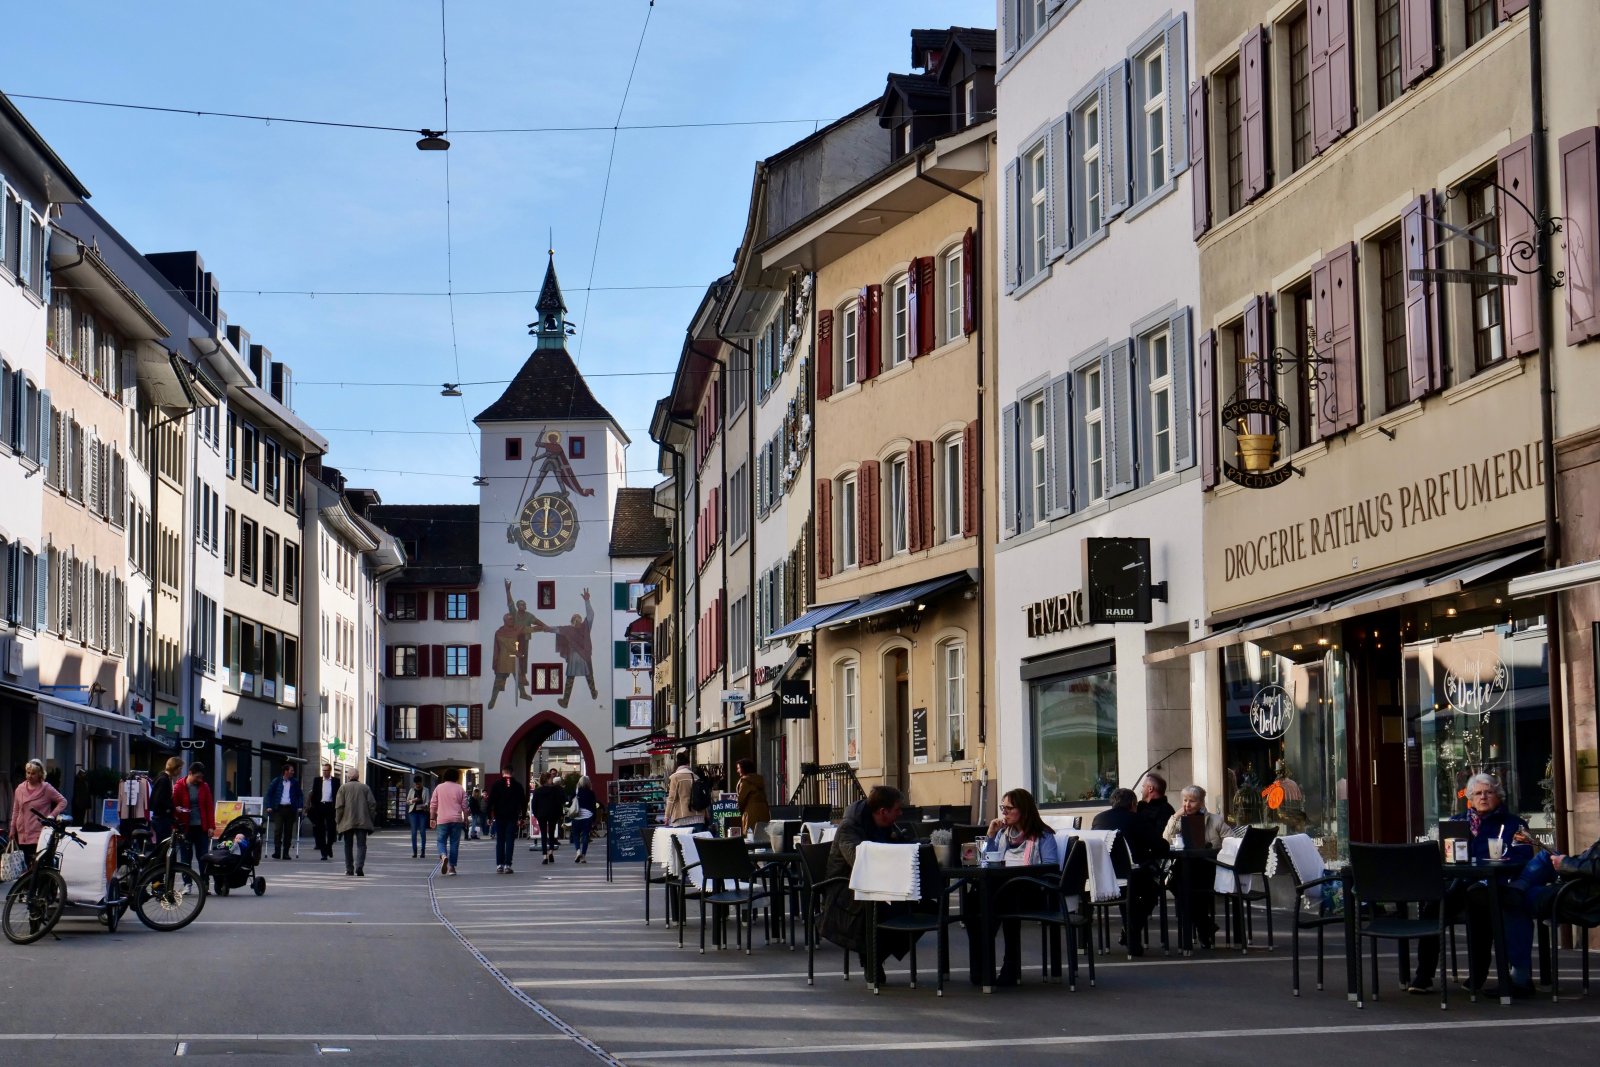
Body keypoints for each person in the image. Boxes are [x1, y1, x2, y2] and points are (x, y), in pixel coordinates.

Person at [1407, 773, 1535, 997]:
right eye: (1478, 793)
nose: (1483, 797)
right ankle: (1423, 976)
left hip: (1492, 886)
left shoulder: (1514, 824)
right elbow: (1441, 858)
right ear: (1470, 798)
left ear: (1498, 795)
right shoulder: (1457, 822)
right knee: (1432, 909)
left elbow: (1523, 858)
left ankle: (1478, 976)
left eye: (1489, 792)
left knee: (1479, 907)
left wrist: (1499, 861)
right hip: (1458, 884)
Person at [818, 785, 916, 983]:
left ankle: (875, 955)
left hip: (882, 884)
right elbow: (858, 860)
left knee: (926, 905)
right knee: (879, 906)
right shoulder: (850, 827)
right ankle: (871, 958)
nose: (901, 813)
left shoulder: (888, 825)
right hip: (846, 891)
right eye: (897, 809)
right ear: (883, 811)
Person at [971, 788, 1060, 985]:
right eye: (1003, 808)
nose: (1004, 812)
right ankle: (982, 966)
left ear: (1024, 810)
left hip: (1033, 892)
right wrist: (990, 835)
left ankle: (1007, 966)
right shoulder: (1003, 834)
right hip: (1004, 890)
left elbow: (1051, 869)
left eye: (1009, 808)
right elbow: (986, 862)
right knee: (974, 901)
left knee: (996, 901)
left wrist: (1024, 876)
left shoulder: (1042, 836)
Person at [1093, 787, 1165, 956]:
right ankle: (1130, 932)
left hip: (1105, 878)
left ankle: (1129, 934)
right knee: (1153, 891)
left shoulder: (1099, 819)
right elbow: (1158, 845)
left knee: (1131, 894)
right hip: (1132, 877)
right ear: (1133, 804)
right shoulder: (1136, 819)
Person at [1162, 785, 1229, 948]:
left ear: (1201, 802)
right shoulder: (1180, 820)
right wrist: (1175, 816)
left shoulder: (1215, 820)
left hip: (1210, 868)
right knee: (1173, 881)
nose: (1187, 805)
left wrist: (1215, 850)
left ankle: (1203, 928)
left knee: (1186, 888)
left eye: (1192, 801)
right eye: (1185, 801)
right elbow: (1165, 839)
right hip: (1187, 867)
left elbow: (1231, 842)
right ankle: (1205, 926)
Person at [9, 759, 67, 866]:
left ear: (40, 774)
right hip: (22, 832)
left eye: (33, 773)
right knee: (26, 865)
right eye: (28, 773)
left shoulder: (46, 788)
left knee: (37, 865)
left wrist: (51, 816)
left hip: (39, 832)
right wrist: (12, 829)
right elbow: (16, 810)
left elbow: (63, 801)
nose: (30, 776)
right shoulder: (20, 789)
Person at [172, 763, 215, 878]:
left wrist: (211, 826)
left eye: (201, 777)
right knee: (186, 856)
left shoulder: (204, 786)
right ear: (190, 773)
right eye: (197, 777)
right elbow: (174, 806)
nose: (199, 779)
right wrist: (175, 825)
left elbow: (209, 807)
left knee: (203, 856)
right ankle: (187, 883)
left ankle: (204, 882)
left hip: (201, 827)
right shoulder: (179, 786)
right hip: (185, 828)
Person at [335, 769, 377, 876]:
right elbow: (372, 805)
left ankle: (349, 869)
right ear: (358, 777)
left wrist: (338, 821)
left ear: (348, 777)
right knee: (361, 845)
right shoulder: (365, 788)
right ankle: (359, 867)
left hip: (347, 821)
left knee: (348, 845)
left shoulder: (343, 788)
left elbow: (339, 807)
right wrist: (371, 819)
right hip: (362, 821)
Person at [487, 766, 528, 874]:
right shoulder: (518, 786)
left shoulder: (496, 785)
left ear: (502, 772)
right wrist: (523, 817)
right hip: (512, 816)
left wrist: (489, 816)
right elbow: (523, 803)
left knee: (500, 840)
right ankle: (507, 865)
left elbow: (490, 801)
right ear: (512, 772)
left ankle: (499, 864)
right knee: (510, 840)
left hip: (499, 816)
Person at [429, 768, 469, 876]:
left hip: (442, 819)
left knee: (441, 841)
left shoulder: (439, 788)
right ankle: (451, 868)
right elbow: (465, 806)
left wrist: (432, 818)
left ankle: (443, 855)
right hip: (456, 819)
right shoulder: (460, 788)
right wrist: (465, 818)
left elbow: (433, 804)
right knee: (454, 843)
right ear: (456, 777)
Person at [266, 764, 303, 860]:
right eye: (291, 770)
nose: (293, 772)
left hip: (290, 809)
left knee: (288, 831)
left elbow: (300, 795)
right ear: (286, 771)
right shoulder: (277, 781)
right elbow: (269, 794)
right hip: (279, 809)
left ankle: (286, 852)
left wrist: (300, 806)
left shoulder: (294, 782)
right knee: (278, 830)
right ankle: (277, 852)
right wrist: (269, 806)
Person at [531, 770, 568, 865]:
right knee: (551, 833)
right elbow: (563, 799)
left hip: (541, 814)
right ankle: (551, 851)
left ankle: (544, 856)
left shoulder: (538, 791)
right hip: (553, 814)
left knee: (543, 834)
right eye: (551, 778)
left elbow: (534, 804)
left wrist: (536, 814)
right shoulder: (556, 789)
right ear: (547, 779)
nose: (552, 780)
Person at [663, 751, 707, 831]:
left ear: (677, 765)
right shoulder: (696, 777)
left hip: (682, 818)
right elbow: (702, 796)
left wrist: (667, 816)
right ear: (688, 764)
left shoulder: (675, 777)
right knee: (695, 842)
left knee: (683, 843)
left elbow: (671, 798)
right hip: (699, 817)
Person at [148, 756, 183, 847]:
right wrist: (173, 808)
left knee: (163, 846)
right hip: (162, 819)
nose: (180, 771)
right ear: (175, 768)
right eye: (180, 768)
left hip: (160, 818)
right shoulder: (164, 780)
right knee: (163, 847)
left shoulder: (163, 777)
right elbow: (160, 800)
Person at [307, 765, 340, 862]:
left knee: (331, 829)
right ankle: (323, 853)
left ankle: (329, 846)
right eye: (323, 770)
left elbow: (338, 795)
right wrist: (314, 806)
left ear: (330, 771)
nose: (324, 772)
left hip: (330, 807)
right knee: (320, 830)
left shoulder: (335, 781)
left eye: (326, 770)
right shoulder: (317, 780)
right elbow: (314, 794)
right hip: (319, 807)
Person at [735, 758, 770, 843]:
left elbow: (741, 799)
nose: (737, 770)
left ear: (744, 768)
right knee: (762, 836)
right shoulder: (759, 780)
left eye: (739, 768)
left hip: (750, 812)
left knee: (750, 837)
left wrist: (739, 810)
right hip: (763, 811)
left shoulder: (745, 782)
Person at [1136, 772, 1176, 841]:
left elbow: (1160, 836)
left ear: (1150, 789)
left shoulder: (1166, 810)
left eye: (1143, 787)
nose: (1141, 791)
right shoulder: (1140, 807)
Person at [569, 775, 598, 863]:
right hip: (588, 816)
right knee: (585, 835)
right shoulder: (591, 793)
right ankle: (583, 856)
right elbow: (594, 806)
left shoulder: (576, 792)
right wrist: (594, 819)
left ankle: (578, 851)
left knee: (576, 835)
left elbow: (570, 801)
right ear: (588, 783)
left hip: (577, 816)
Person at [406, 775, 430, 859]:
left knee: (423, 832)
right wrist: (413, 800)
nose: (417, 785)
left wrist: (425, 805)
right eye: (416, 784)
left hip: (422, 812)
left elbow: (428, 801)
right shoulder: (412, 790)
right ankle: (414, 851)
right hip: (413, 813)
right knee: (414, 832)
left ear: (421, 782)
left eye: (419, 783)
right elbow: (408, 801)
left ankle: (423, 851)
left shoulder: (426, 790)